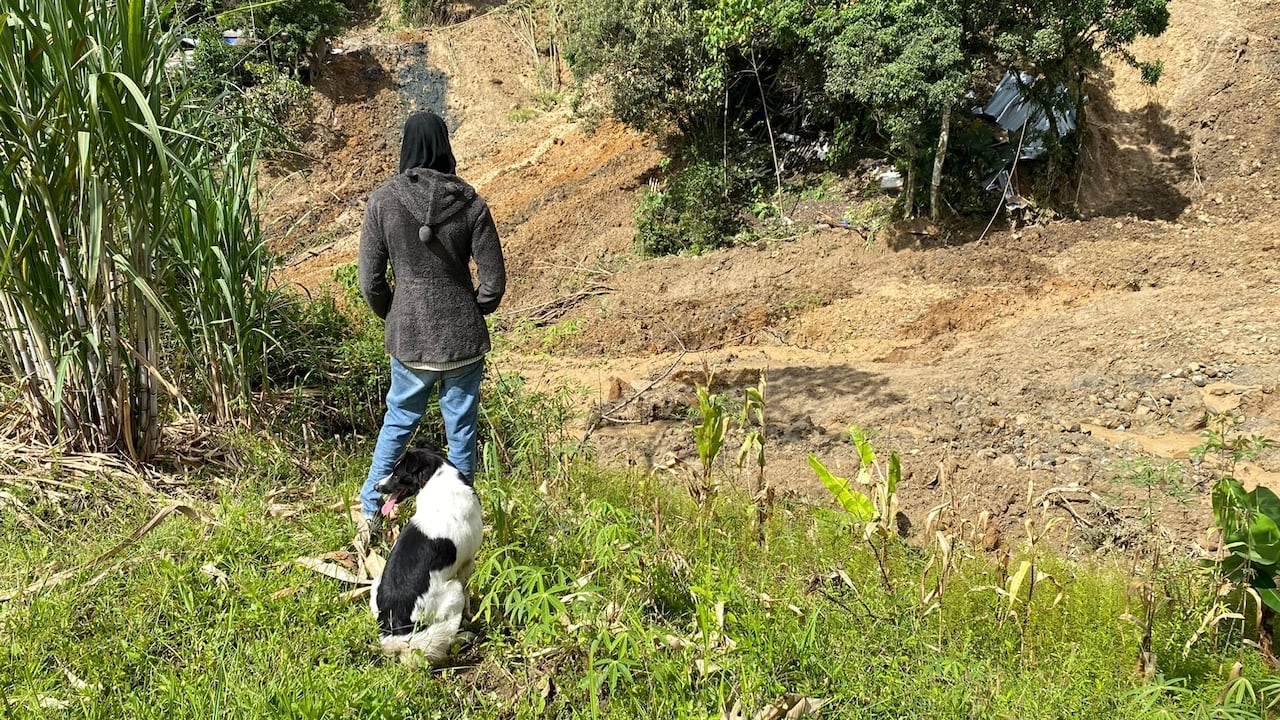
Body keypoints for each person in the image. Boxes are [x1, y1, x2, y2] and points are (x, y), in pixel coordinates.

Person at [357, 111, 506, 524]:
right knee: (461, 433)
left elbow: (370, 281)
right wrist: (472, 310)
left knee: (398, 423)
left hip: (409, 338)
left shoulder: (383, 201)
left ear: (407, 147)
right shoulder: (471, 203)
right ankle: (459, 521)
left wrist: (394, 314)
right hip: (463, 341)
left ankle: (371, 511)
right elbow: (493, 282)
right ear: (445, 145)